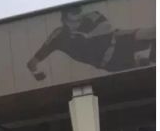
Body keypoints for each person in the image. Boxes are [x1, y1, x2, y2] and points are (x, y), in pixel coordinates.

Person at [27, 6, 155, 80]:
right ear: (64, 17)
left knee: (149, 33)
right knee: (147, 65)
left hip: (119, 41)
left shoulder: (92, 16)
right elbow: (32, 63)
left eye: (78, 16)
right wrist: (36, 73)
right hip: (111, 63)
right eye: (72, 18)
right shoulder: (58, 36)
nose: (76, 22)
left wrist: (87, 35)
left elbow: (107, 29)